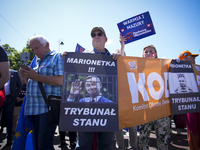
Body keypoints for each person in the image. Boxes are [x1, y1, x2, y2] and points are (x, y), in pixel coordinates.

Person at [63, 27, 120, 150]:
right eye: (93, 35)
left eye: (99, 34)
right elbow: (70, 76)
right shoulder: (83, 56)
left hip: (108, 115)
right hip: (85, 115)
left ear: (106, 39)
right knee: (83, 145)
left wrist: (120, 52)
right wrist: (66, 60)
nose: (96, 36)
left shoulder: (115, 58)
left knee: (106, 145)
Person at [19, 35, 64, 150]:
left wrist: (35, 76)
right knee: (39, 144)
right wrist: (25, 78)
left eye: (37, 48)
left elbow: (61, 80)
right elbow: (34, 81)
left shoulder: (57, 57)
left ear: (47, 44)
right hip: (33, 108)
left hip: (47, 108)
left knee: (44, 144)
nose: (35, 51)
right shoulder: (37, 61)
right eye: (33, 49)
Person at [139, 45, 170, 150]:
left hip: (161, 110)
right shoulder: (138, 68)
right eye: (146, 51)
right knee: (143, 139)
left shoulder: (163, 66)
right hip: (144, 110)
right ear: (143, 55)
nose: (148, 53)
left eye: (151, 51)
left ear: (155, 54)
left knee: (163, 140)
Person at [114, 34, 138, 150]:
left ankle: (133, 146)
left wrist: (122, 46)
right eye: (116, 54)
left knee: (133, 127)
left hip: (130, 102)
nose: (119, 55)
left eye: (122, 54)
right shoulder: (111, 68)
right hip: (117, 103)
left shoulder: (130, 67)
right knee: (118, 127)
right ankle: (121, 147)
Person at [177, 50, 199, 150]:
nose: (194, 58)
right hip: (192, 107)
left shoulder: (198, 69)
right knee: (193, 131)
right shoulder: (178, 72)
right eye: (192, 56)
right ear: (185, 58)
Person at [0, 69, 22, 146]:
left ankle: (9, 137)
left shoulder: (14, 73)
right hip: (0, 97)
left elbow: (20, 85)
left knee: (9, 118)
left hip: (9, 99)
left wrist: (14, 95)